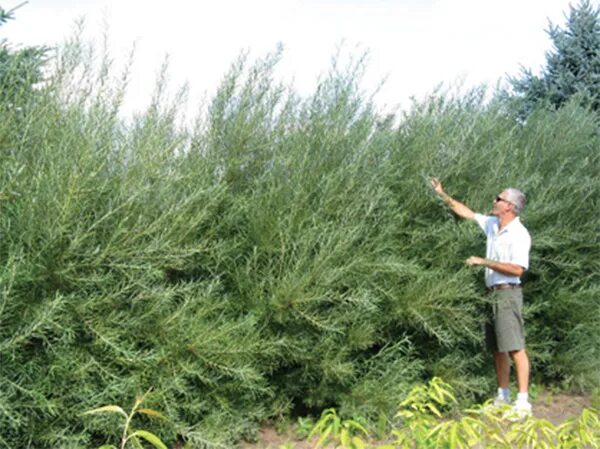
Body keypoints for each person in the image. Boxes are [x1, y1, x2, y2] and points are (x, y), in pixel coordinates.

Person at [431, 177, 532, 418]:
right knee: (498, 348)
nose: (494, 201)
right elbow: (467, 213)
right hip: (492, 295)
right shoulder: (492, 224)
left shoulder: (519, 233)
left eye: (499, 198)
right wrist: (442, 194)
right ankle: (503, 396)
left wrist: (484, 261)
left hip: (508, 293)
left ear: (509, 206)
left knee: (515, 347)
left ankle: (523, 403)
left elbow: (518, 269)